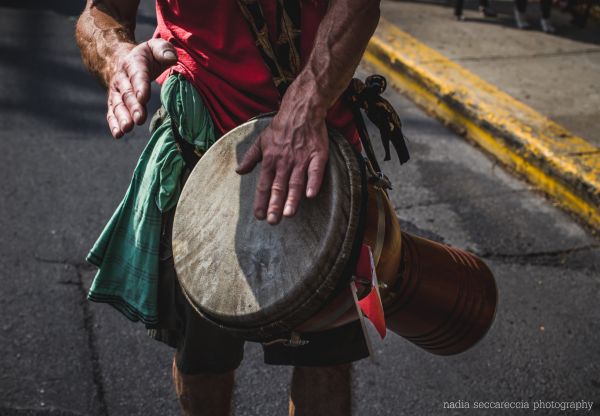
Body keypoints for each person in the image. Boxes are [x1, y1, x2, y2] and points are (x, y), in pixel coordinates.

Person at [75, 0, 380, 415]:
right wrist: (118, 56)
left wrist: (304, 107)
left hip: (316, 154)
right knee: (203, 362)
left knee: (325, 360)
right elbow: (103, 11)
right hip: (200, 162)